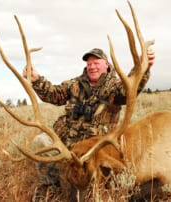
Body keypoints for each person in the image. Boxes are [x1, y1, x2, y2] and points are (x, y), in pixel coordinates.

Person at [23, 47, 155, 198]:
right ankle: (51, 185)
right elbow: (54, 94)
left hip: (94, 150)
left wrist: (142, 68)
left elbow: (129, 89)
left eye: (96, 62)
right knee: (40, 141)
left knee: (101, 178)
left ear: (106, 64)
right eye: (89, 63)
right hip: (68, 144)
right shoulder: (75, 84)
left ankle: (90, 186)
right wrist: (36, 79)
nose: (92, 66)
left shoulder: (114, 87)